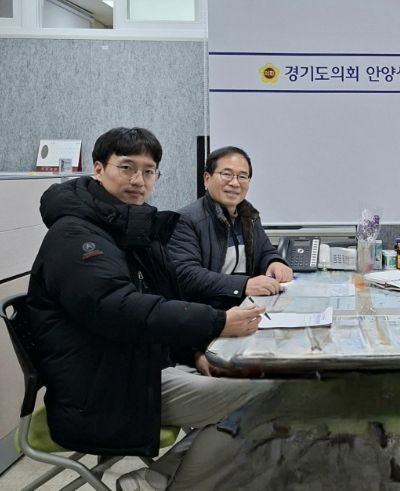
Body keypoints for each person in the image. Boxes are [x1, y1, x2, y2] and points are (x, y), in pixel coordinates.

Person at [27, 127, 273, 490]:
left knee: (255, 385)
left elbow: (163, 297)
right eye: (126, 168)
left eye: (148, 171)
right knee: (266, 395)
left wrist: (192, 350)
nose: (138, 180)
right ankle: (157, 483)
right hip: (105, 389)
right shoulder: (76, 236)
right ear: (99, 169)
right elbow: (120, 308)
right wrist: (217, 322)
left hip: (138, 366)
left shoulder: (130, 227)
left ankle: (156, 477)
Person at [168, 146, 292, 309]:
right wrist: (243, 285)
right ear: (207, 179)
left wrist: (274, 262)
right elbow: (186, 274)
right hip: (207, 313)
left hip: (247, 308)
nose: (235, 183)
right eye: (227, 174)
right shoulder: (185, 220)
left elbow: (265, 251)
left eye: (242, 176)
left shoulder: (249, 216)